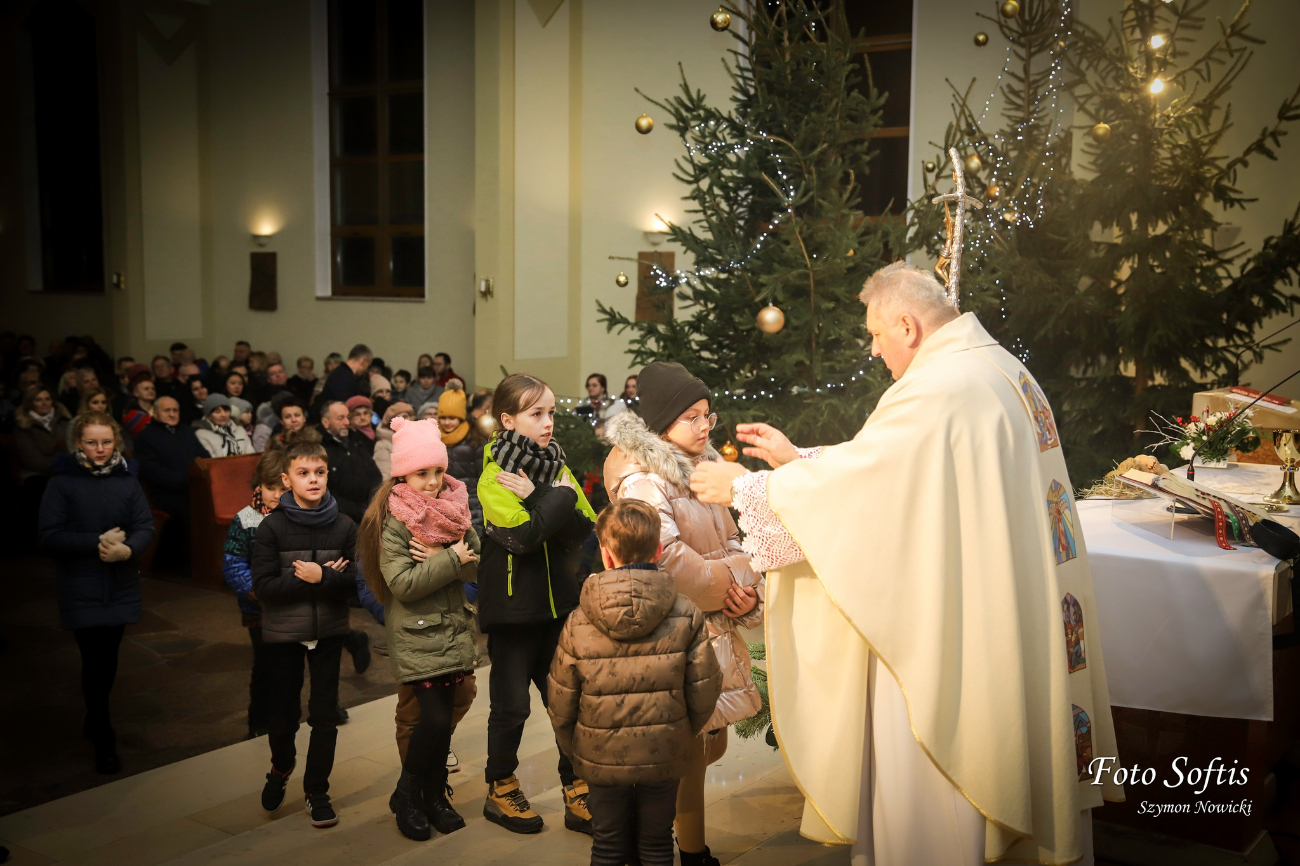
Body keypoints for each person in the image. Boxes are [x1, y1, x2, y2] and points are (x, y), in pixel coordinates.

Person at [689, 262, 1121, 866]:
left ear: (908, 326)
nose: (873, 349)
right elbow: (895, 470)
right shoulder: (993, 366)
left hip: (952, 632)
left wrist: (746, 488)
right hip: (999, 608)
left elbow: (883, 488)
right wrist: (796, 460)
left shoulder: (938, 387)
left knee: (934, 794)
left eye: (875, 334)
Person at [602, 362, 763, 866]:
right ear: (661, 423)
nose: (705, 424)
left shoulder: (703, 467)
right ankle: (690, 852)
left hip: (709, 621)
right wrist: (728, 584)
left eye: (706, 413)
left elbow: (736, 539)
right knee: (690, 750)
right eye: (691, 416)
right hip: (672, 631)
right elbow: (665, 555)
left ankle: (654, 821)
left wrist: (746, 591)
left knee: (709, 743)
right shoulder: (645, 480)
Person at [548, 499, 723, 866]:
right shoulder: (685, 612)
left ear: (606, 555)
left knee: (608, 846)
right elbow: (705, 685)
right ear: (659, 549)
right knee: (657, 843)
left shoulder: (579, 620)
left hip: (600, 756)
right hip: (664, 752)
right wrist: (680, 732)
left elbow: (561, 700)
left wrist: (578, 752)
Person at [477, 373, 597, 836]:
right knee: (511, 709)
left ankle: (577, 789)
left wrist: (542, 496)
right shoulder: (494, 476)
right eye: (536, 414)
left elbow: (581, 530)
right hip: (512, 613)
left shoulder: (556, 471)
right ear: (507, 420)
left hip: (558, 609)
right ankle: (500, 788)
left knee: (566, 705)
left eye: (551, 413)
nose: (548, 423)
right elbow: (523, 538)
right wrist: (556, 499)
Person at [359, 416, 479, 840]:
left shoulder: (454, 507)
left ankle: (432, 796)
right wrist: (449, 559)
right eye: (421, 473)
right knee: (431, 719)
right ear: (403, 474)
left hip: (451, 629)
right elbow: (404, 585)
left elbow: (476, 561)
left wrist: (444, 556)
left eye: (437, 471)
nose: (432, 482)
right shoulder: (396, 517)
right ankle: (407, 794)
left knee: (443, 719)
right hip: (418, 632)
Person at [39, 412, 154, 774]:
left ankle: (95, 718)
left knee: (109, 657)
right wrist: (96, 542)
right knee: (94, 659)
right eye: (92, 442)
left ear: (116, 442)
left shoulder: (127, 479)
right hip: (82, 582)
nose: (100, 449)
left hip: (119, 582)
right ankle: (103, 734)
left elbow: (144, 525)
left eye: (106, 442)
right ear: (79, 443)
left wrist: (130, 549)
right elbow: (49, 535)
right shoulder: (62, 482)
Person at [251, 440, 358, 829]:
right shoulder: (271, 527)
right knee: (282, 715)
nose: (313, 480)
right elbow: (263, 588)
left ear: (328, 475)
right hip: (283, 635)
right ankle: (281, 767)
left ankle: (317, 790)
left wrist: (327, 576)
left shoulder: (344, 524)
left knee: (325, 714)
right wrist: (312, 577)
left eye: (319, 472)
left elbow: (357, 585)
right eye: (303, 473)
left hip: (329, 631)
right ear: (286, 479)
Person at [223, 450, 286, 739]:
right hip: (259, 607)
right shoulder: (245, 520)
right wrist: (256, 591)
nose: (276, 495)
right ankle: (258, 720)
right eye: (270, 488)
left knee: (291, 665)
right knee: (264, 665)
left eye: (282, 489)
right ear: (258, 485)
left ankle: (285, 717)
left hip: (290, 604)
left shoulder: (295, 516)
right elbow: (234, 563)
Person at [133, 396, 206, 568]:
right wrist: (185, 482)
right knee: (190, 511)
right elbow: (152, 470)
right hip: (165, 494)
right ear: (155, 413)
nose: (172, 414)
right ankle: (188, 565)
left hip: (193, 488)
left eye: (175, 410)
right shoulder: (146, 437)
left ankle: (212, 563)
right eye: (167, 410)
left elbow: (204, 458)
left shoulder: (187, 431)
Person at [318, 400, 382, 524]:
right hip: (338, 519)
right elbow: (325, 492)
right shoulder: (320, 450)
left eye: (347, 417)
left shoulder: (358, 440)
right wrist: (359, 511)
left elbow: (375, 475)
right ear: (326, 422)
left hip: (369, 515)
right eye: (340, 418)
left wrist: (373, 505)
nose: (347, 422)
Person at [438, 380, 484, 541]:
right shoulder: (435, 440)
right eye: (443, 417)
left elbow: (483, 477)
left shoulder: (475, 442)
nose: (447, 422)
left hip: (472, 506)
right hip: (443, 506)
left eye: (452, 418)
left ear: (461, 417)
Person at [319, 344, 373, 408]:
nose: (366, 369)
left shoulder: (340, 373)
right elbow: (346, 406)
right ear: (363, 361)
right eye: (368, 365)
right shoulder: (344, 378)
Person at [373, 402, 414, 478]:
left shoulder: (416, 440)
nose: (404, 421)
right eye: (399, 418)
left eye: (406, 416)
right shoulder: (383, 445)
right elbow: (385, 477)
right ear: (390, 424)